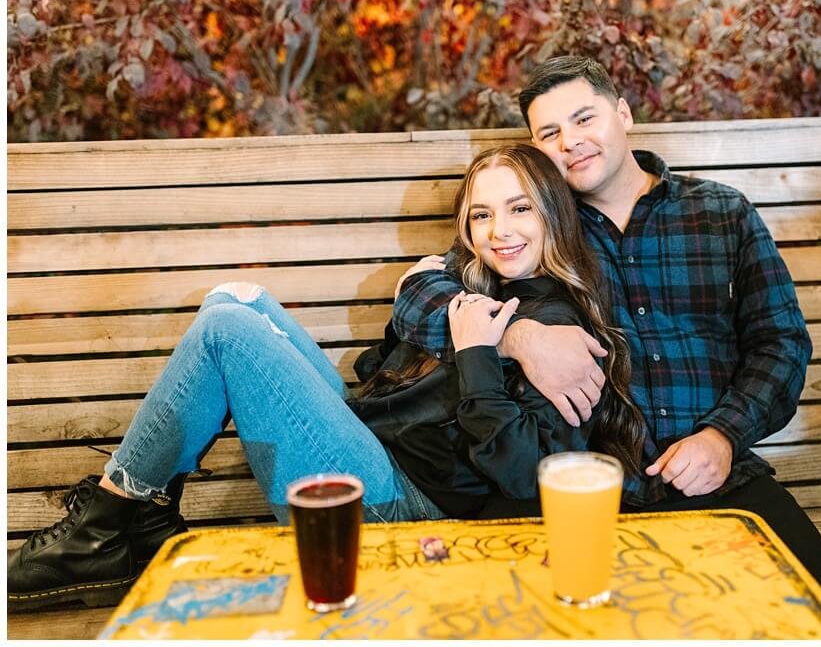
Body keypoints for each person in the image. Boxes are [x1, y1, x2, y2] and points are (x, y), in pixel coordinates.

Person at [7, 143, 637, 611]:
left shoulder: (563, 335)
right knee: (237, 299)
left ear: (553, 214)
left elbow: (528, 478)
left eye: (520, 208)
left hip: (407, 516)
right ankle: (137, 522)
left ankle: (106, 528)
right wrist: (460, 323)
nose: (499, 231)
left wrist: (478, 355)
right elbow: (406, 316)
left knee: (227, 332)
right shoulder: (478, 285)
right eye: (481, 216)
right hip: (376, 448)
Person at [393, 56, 821, 636]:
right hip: (582, 490)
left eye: (584, 118)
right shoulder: (540, 221)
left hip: (718, 478)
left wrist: (723, 436)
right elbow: (418, 295)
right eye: (549, 132)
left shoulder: (719, 213)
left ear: (622, 113)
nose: (570, 142)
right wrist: (521, 338)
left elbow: (781, 343)